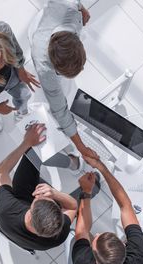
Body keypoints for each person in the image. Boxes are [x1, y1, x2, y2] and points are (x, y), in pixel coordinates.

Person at [65, 157, 143, 264]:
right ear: (124, 245)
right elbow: (125, 205)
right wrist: (103, 169)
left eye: (94, 240)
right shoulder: (139, 255)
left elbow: (82, 230)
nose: (95, 235)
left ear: (94, 261)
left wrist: (86, 192)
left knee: (72, 237)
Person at [0, 123, 80, 251]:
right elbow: (72, 206)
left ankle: (70, 161)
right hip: (22, 209)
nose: (41, 193)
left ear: (30, 212)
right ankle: (73, 163)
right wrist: (54, 193)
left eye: (39, 196)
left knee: (33, 150)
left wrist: (26, 143)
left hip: (20, 197)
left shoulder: (8, 209)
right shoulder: (58, 234)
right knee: (37, 151)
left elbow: (1, 171)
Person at [31, 1, 99, 160]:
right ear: (55, 68)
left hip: (57, 16)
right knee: (58, 97)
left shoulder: (69, 7)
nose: (82, 70)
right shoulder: (44, 67)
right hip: (39, 30)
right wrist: (81, 147)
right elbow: (59, 110)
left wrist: (80, 7)